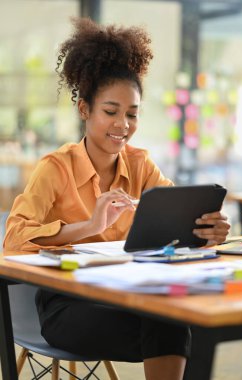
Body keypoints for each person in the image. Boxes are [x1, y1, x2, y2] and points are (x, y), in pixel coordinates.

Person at [4, 17, 230, 380]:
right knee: (172, 326)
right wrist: (89, 226)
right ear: (85, 110)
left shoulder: (141, 166)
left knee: (180, 321)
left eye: (132, 114)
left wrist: (207, 228)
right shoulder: (55, 168)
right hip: (65, 308)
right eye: (111, 112)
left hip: (127, 295)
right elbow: (14, 238)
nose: (123, 125)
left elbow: (178, 214)